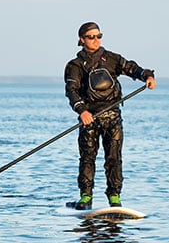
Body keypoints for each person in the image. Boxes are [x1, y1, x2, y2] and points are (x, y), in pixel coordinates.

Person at [64, 22, 156, 210]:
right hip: (89, 118)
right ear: (82, 40)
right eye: (91, 37)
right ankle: (85, 197)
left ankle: (114, 197)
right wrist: (82, 111)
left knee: (113, 157)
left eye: (99, 36)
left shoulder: (112, 59)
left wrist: (147, 76)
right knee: (87, 157)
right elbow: (71, 91)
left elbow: (131, 68)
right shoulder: (74, 66)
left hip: (112, 116)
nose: (96, 40)